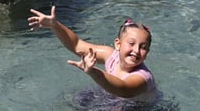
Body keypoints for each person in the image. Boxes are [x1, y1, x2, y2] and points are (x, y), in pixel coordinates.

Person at [29, 6, 158, 103]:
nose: (136, 50)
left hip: (138, 107)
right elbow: (77, 45)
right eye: (131, 43)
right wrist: (55, 25)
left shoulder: (143, 77)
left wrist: (93, 72)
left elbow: (123, 90)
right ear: (118, 44)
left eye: (143, 47)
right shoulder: (111, 56)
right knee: (72, 99)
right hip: (112, 98)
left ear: (147, 53)